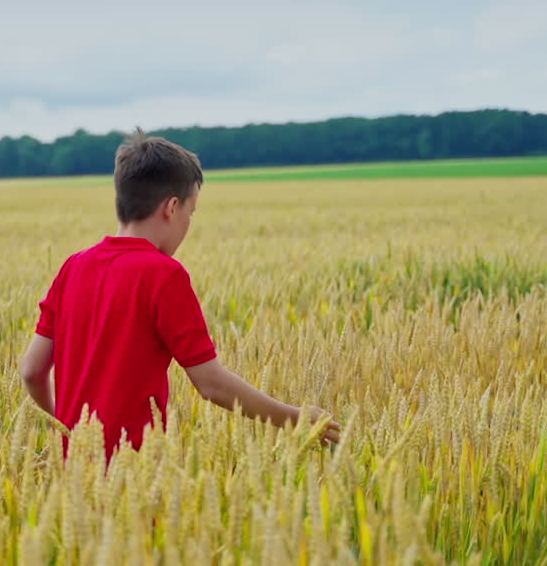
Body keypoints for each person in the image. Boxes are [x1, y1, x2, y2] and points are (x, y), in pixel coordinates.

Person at [18, 129, 340, 458]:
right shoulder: (163, 275)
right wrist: (296, 418)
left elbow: (32, 370)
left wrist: (66, 426)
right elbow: (211, 383)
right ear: (172, 208)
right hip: (136, 471)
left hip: (73, 474)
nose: (189, 222)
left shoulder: (73, 266)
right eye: (191, 212)